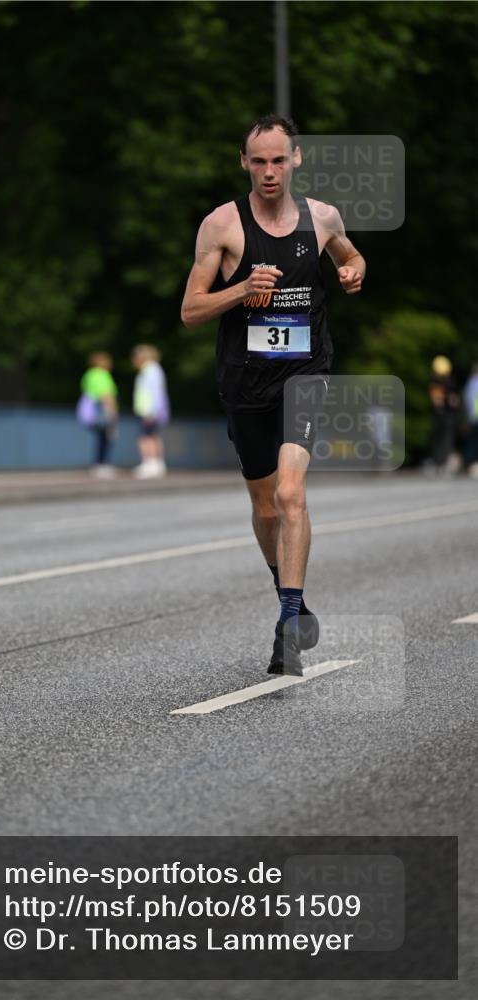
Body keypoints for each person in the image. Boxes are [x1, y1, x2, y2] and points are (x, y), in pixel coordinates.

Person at [181, 114, 366, 676]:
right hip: (245, 379)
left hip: (306, 372)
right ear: (244, 163)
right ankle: (295, 598)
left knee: (290, 493)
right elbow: (190, 310)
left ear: (296, 159)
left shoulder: (322, 217)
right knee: (265, 506)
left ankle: (288, 625)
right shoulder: (222, 225)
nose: (269, 171)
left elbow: (350, 258)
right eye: (258, 161)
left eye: (278, 160)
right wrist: (241, 289)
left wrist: (355, 271)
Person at [131, 344, 170, 479]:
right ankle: (157, 463)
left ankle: (150, 463)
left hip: (148, 410)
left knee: (146, 437)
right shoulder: (154, 370)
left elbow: (154, 393)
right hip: (152, 410)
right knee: (153, 436)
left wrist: (150, 411)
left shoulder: (150, 370)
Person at [78, 352, 119, 478]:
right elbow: (106, 395)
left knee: (100, 438)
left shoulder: (89, 375)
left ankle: (98, 464)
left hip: (90, 412)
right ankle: (102, 464)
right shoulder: (102, 375)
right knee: (105, 438)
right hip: (101, 411)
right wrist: (114, 412)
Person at [463, 362, 478, 477]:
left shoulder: (471, 383)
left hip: (473, 417)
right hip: (475, 417)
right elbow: (469, 401)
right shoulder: (474, 383)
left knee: (472, 441)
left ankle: (471, 464)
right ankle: (472, 464)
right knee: (473, 442)